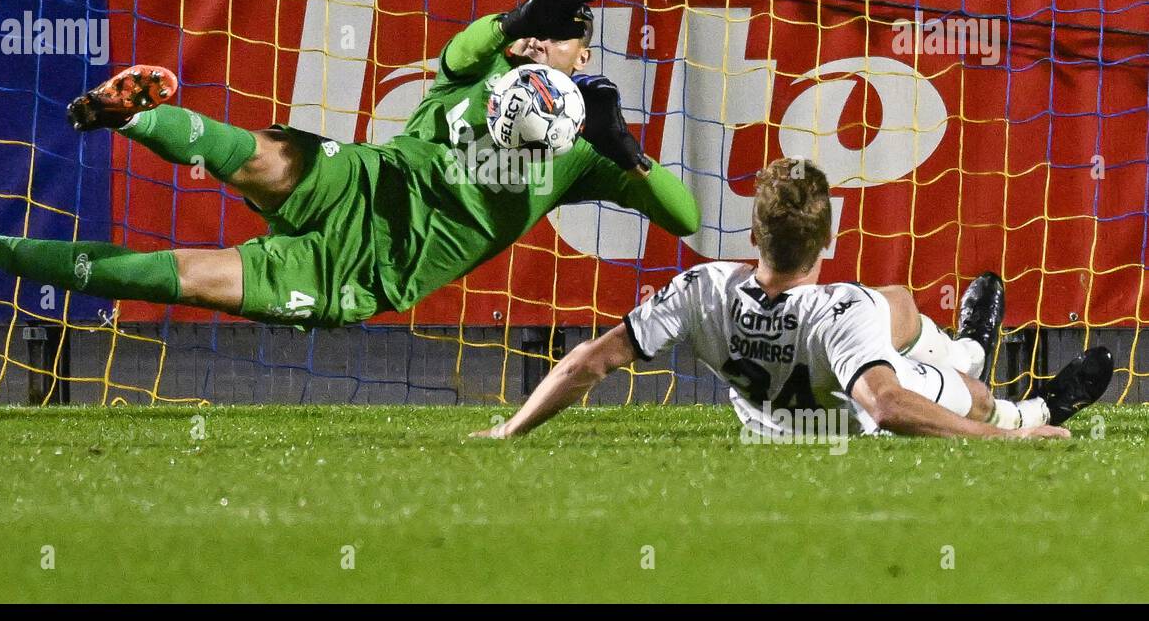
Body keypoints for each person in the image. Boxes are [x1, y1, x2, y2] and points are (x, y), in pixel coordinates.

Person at [0, 0, 700, 327]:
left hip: (364, 275)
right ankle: (127, 114)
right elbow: (461, 55)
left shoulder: (582, 154)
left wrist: (625, 149)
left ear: (584, 59)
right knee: (264, 156)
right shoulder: (489, 65)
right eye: (535, 38)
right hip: (365, 185)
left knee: (186, 277)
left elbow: (687, 215)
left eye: (559, 42)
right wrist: (520, 23)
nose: (537, 50)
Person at [474, 157, 1112, 440]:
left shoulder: (701, 289)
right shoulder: (841, 311)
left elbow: (589, 360)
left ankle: (971, 346)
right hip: (843, 424)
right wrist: (1010, 442)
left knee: (899, 302)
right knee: (970, 396)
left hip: (768, 420)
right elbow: (888, 408)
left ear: (752, 234)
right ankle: (1035, 405)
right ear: (830, 239)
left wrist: (510, 427)